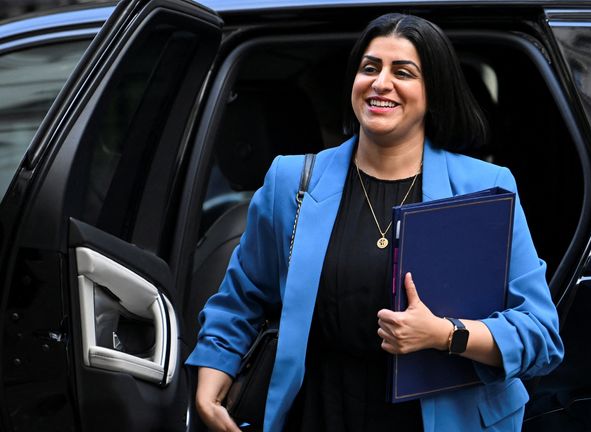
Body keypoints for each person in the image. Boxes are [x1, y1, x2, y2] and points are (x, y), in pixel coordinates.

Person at [186, 12, 564, 432]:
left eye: (403, 72)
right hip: (319, 412)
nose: (381, 82)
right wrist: (213, 367)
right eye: (370, 68)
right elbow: (241, 297)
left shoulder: (485, 187)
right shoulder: (290, 181)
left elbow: (540, 336)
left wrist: (445, 334)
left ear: (433, 92)